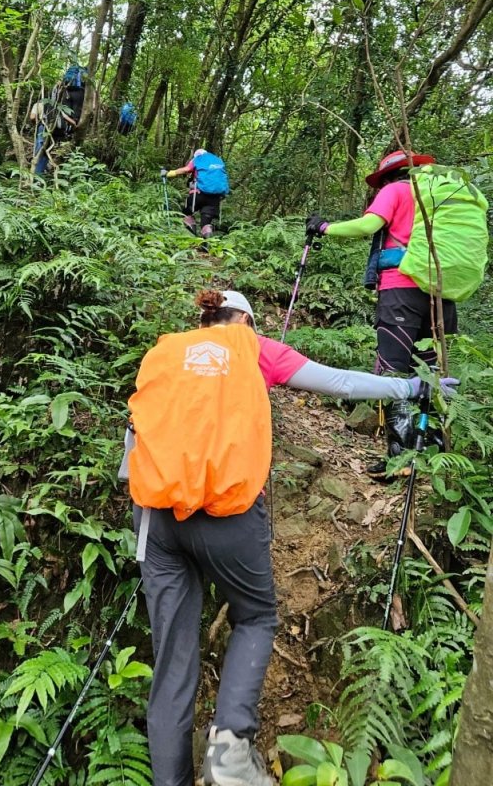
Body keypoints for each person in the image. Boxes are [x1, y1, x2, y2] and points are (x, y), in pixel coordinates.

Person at [123, 288, 456, 786]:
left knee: (172, 662)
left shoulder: (165, 350)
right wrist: (411, 388)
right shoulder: (252, 348)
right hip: (227, 512)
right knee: (255, 617)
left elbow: (138, 432)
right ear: (245, 321)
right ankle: (231, 746)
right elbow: (340, 383)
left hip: (155, 516)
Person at [305, 149, 458, 461]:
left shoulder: (395, 190)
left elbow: (367, 226)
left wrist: (324, 227)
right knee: (430, 367)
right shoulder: (440, 198)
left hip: (401, 289)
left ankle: (399, 454)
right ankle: (435, 449)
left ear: (388, 176)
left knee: (393, 369)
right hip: (442, 290)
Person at [166, 148, 229, 239]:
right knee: (206, 222)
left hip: (198, 194)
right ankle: (206, 244)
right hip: (215, 197)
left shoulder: (198, 159)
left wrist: (169, 173)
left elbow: (186, 169)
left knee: (186, 213)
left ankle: (190, 237)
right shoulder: (218, 160)